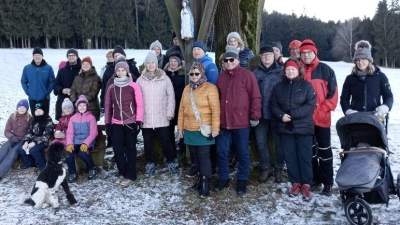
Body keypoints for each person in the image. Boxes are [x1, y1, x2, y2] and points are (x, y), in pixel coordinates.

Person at [214, 46, 262, 196]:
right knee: (221, 151)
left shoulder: (247, 75)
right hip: (224, 122)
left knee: (242, 152)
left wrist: (255, 116)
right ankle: (223, 178)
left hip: (241, 122)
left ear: (237, 60)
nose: (228, 62)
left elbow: (255, 96)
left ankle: (242, 180)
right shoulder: (221, 77)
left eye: (231, 60)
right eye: (225, 60)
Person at [270, 58, 316, 202]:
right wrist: (281, 115)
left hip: (304, 128)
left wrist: (292, 114)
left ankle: (306, 184)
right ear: (284, 71)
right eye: (288, 69)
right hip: (285, 128)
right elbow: (273, 104)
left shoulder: (307, 86)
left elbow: (310, 105)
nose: (290, 71)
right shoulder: (278, 87)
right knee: (290, 156)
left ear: (298, 71)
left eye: (293, 69)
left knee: (305, 156)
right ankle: (295, 182)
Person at [299, 39, 338, 196]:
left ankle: (328, 182)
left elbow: (333, 95)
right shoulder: (298, 70)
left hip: (322, 119)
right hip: (304, 119)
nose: (306, 55)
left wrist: (321, 111)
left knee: (324, 151)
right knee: (310, 151)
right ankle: (315, 178)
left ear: (315, 53)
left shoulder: (326, 70)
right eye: (303, 53)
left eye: (309, 52)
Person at [177, 62, 220, 199]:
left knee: (204, 157)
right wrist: (180, 127)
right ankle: (199, 181)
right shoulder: (186, 89)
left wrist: (215, 128)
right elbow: (182, 110)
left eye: (197, 73)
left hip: (203, 130)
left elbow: (215, 110)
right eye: (192, 74)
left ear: (202, 74)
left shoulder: (210, 88)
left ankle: (205, 184)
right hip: (190, 129)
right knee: (195, 158)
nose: (194, 76)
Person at [136, 51, 179, 179]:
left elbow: (171, 97)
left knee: (166, 140)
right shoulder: (140, 80)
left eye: (153, 62)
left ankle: (171, 161)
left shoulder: (164, 78)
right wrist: (139, 117)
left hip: (162, 116)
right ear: (145, 64)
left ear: (156, 64)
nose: (150, 65)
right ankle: (150, 163)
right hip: (147, 117)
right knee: (147, 142)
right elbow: (137, 99)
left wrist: (170, 113)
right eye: (148, 63)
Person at [105, 61, 144, 187]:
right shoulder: (111, 87)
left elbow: (139, 104)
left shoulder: (133, 86)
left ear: (127, 71)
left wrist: (139, 120)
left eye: (123, 70)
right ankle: (121, 172)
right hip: (116, 123)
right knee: (117, 149)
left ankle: (130, 174)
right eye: (118, 70)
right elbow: (107, 106)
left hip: (130, 122)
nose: (120, 72)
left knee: (131, 148)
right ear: (115, 72)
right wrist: (107, 123)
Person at [253, 45, 285, 183]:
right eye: (264, 55)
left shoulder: (281, 72)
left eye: (269, 55)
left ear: (274, 56)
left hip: (277, 114)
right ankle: (265, 167)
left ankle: (278, 168)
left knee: (279, 143)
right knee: (261, 142)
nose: (267, 57)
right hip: (260, 114)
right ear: (260, 57)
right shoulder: (255, 73)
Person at [340, 40, 393, 117]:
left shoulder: (381, 77)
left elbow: (388, 96)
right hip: (355, 118)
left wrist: (384, 107)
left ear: (369, 60)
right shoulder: (350, 79)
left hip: (375, 117)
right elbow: (344, 99)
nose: (360, 62)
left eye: (363, 59)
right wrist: (348, 111)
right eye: (358, 60)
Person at [65, 95, 98, 183]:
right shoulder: (73, 118)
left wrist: (86, 143)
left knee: (82, 153)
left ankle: (92, 168)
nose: (82, 107)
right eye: (80, 105)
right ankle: (72, 173)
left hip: (87, 141)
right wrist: (69, 143)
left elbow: (94, 133)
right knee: (68, 153)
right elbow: (70, 132)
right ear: (77, 107)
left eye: (84, 105)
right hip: (75, 141)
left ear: (87, 106)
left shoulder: (91, 118)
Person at [100, 45, 140, 112]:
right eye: (115, 56)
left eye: (119, 55)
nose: (117, 57)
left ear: (124, 56)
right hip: (114, 104)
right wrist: (103, 104)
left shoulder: (132, 68)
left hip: (130, 104)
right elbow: (104, 89)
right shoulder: (109, 70)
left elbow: (138, 84)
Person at [0, 100, 32, 179]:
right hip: (13, 138)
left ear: (27, 109)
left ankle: (0, 173)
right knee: (4, 149)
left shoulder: (30, 118)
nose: (21, 109)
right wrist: (11, 137)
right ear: (17, 108)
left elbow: (31, 131)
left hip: (23, 140)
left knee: (12, 153)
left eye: (24, 107)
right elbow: (6, 131)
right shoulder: (12, 116)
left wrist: (26, 140)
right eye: (20, 107)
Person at [17, 102, 54, 171]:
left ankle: (43, 165)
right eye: (36, 110)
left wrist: (35, 142)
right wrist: (26, 141)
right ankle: (29, 163)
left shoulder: (48, 120)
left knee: (33, 150)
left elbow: (46, 135)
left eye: (40, 110)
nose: (38, 112)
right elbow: (29, 131)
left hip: (44, 141)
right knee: (20, 148)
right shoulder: (34, 119)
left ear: (44, 111)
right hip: (33, 140)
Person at [164, 54, 186, 162]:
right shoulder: (164, 74)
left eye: (175, 61)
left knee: (181, 128)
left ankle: (182, 150)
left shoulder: (182, 74)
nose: (173, 63)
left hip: (179, 104)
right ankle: (171, 151)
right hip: (167, 105)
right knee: (169, 129)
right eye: (171, 61)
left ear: (179, 63)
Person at [21, 47, 55, 116]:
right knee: (35, 116)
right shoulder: (27, 68)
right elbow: (23, 81)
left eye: (39, 55)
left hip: (44, 98)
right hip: (32, 98)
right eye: (35, 55)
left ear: (42, 56)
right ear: (33, 56)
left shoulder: (48, 68)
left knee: (45, 117)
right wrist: (28, 92)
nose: (37, 57)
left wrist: (47, 92)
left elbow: (52, 81)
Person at [70, 56, 101, 121]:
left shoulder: (96, 77)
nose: (85, 65)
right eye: (83, 64)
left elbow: (94, 92)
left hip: (92, 108)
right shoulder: (77, 77)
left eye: (87, 64)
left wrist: (82, 101)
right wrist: (75, 101)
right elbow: (73, 90)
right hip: (78, 107)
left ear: (91, 65)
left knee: (91, 129)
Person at [53, 49, 81, 120]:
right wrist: (61, 90)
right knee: (63, 124)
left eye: (73, 55)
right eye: (69, 55)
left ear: (77, 57)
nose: (71, 57)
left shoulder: (81, 70)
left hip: (77, 101)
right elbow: (56, 85)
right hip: (63, 101)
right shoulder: (62, 71)